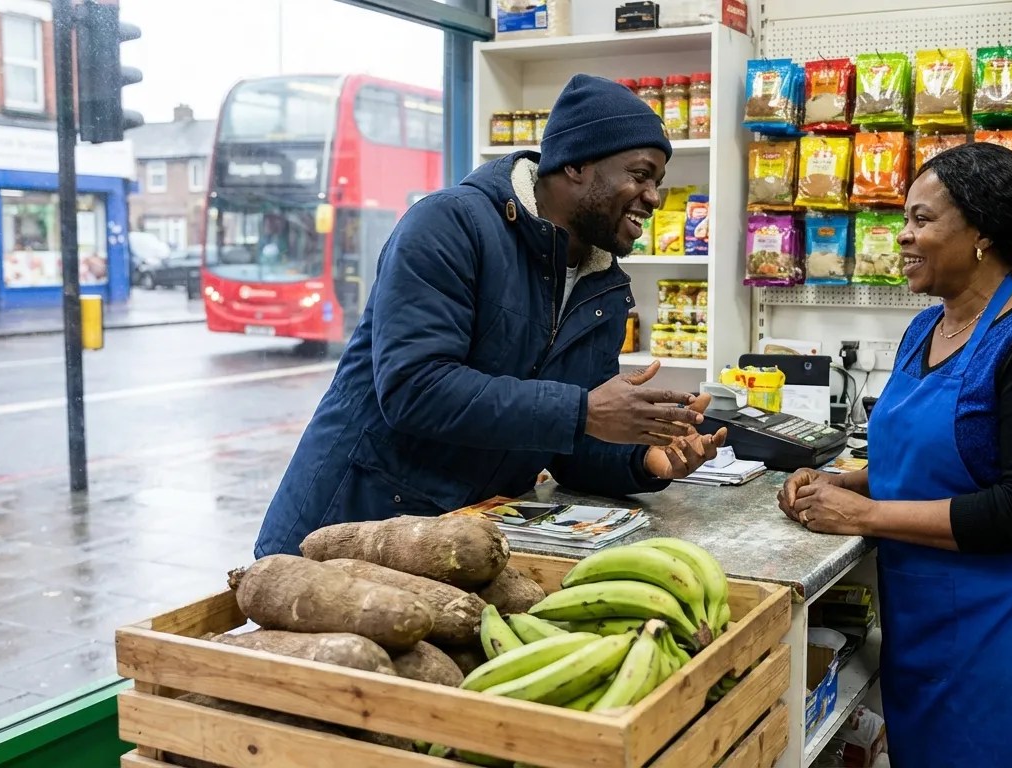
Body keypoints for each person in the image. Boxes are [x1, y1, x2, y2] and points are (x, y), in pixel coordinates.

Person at [255, 74, 726, 557]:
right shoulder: (449, 226)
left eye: (658, 183)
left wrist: (646, 458)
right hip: (345, 533)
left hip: (458, 546)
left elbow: (569, 444)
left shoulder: (602, 285)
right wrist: (583, 411)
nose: (653, 197)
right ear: (578, 164)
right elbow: (415, 388)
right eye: (641, 174)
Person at [777, 142, 1012, 767]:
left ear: (981, 232)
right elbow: (918, 463)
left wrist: (863, 516)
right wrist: (845, 482)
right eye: (904, 220)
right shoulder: (924, 329)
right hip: (930, 616)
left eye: (921, 220)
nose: (901, 237)